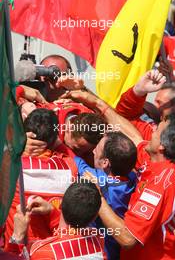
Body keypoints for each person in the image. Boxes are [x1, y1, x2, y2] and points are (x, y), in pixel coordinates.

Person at [86, 113, 175, 260]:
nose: (151, 131)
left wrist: (97, 196)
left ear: (162, 146)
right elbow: (133, 137)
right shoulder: (152, 160)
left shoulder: (162, 183)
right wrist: (93, 101)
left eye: (156, 130)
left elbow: (128, 238)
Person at [4, 108, 78, 248]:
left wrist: (18, 143)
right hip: (50, 250)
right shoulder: (70, 167)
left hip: (15, 248)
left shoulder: (9, 165)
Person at [75, 131, 137, 259]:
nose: (93, 152)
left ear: (105, 163)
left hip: (99, 252)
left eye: (96, 149)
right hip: (117, 252)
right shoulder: (134, 178)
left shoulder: (97, 179)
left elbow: (73, 161)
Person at [6, 181, 106, 259]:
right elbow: (69, 235)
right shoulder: (98, 239)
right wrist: (52, 212)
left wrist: (17, 236)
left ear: (61, 204)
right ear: (95, 216)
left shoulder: (41, 252)